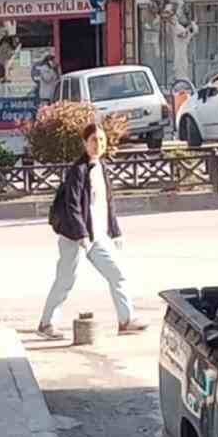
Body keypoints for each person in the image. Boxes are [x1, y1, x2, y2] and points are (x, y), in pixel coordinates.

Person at [38, 120, 145, 341]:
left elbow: (107, 203)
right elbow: (72, 205)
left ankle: (126, 320)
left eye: (102, 140)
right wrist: (81, 234)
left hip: (98, 236)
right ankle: (46, 323)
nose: (99, 144)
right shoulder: (78, 170)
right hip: (74, 237)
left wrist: (115, 232)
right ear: (85, 143)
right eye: (94, 140)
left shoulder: (101, 167)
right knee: (65, 280)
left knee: (118, 274)